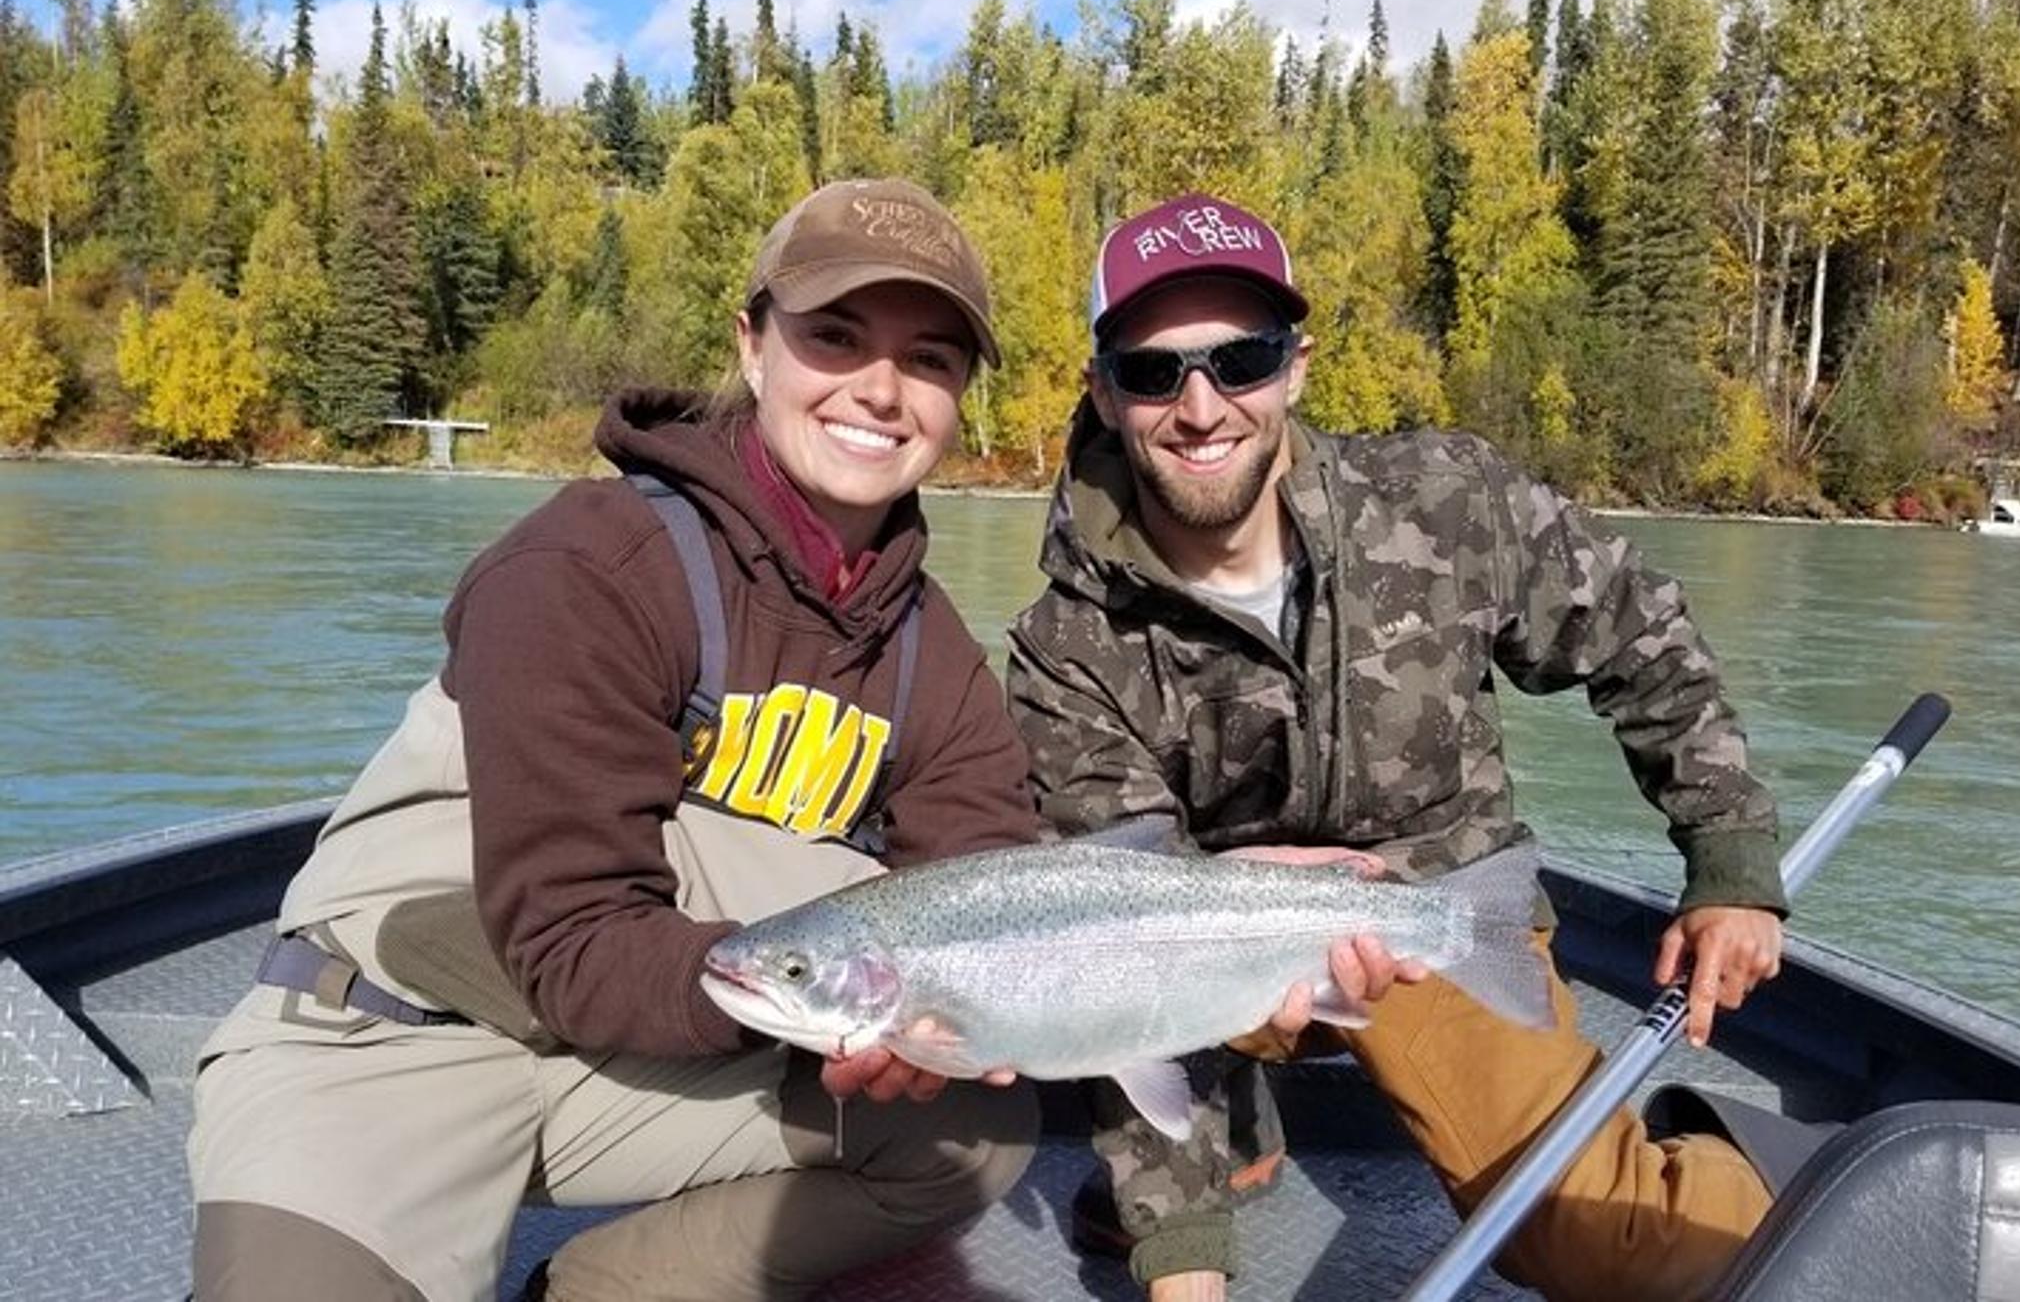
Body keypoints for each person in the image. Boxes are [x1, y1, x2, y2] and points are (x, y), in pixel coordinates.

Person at [188, 178, 1042, 1302]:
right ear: (752, 347)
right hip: (391, 1039)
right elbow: (571, 935)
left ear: (960, 397)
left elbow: (990, 895)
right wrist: (840, 991)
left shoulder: (937, 655)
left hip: (642, 1062)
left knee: (973, 1125)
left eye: (928, 359)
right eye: (835, 337)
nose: (881, 390)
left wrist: (938, 1018)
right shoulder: (584, 568)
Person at [1006, 192, 1789, 1302]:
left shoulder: (1447, 502)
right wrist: (1180, 1264)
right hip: (1207, 951)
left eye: (1240, 361)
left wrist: (1730, 855)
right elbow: (1116, 954)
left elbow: (1637, 637)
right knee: (1135, 1120)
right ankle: (1231, 1135)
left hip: (1439, 917)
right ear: (1101, 390)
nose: (1200, 407)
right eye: (1152, 372)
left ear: (1296, 368)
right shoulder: (1064, 648)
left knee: (1604, 1243)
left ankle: (1776, 1175)